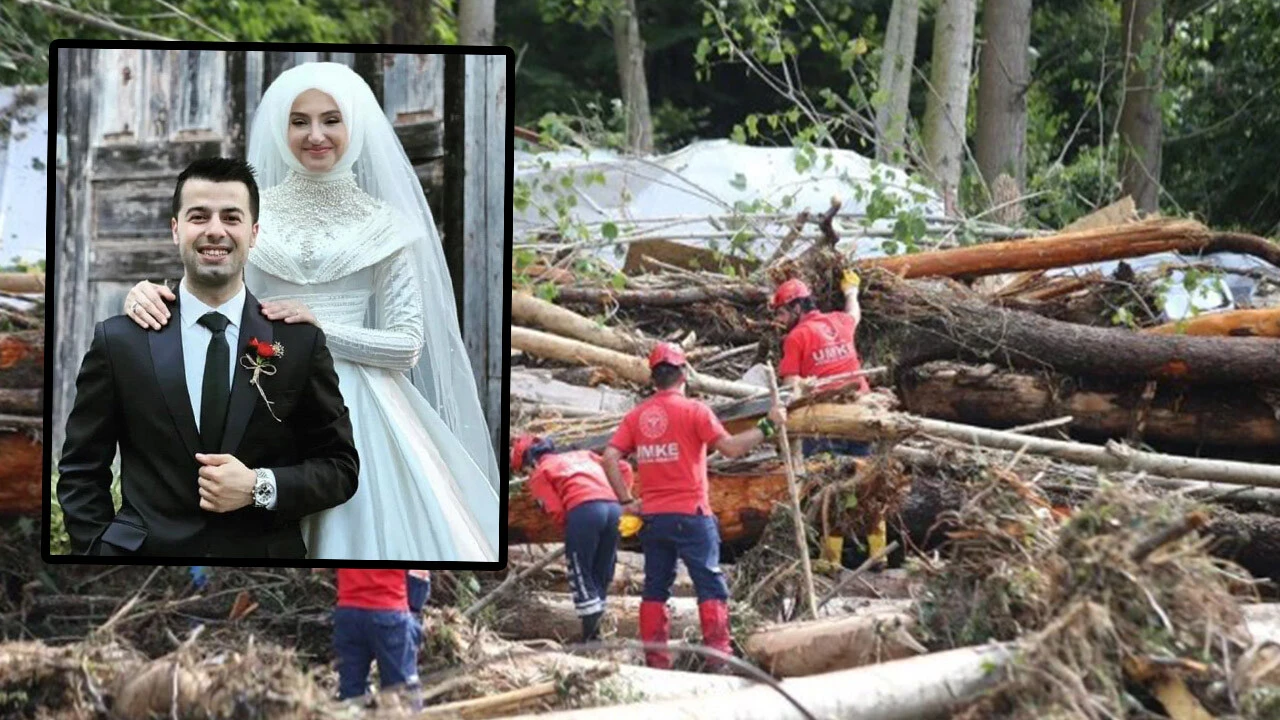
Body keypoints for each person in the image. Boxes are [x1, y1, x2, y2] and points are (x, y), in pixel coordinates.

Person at [120, 62, 499, 561]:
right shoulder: (249, 213)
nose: (315, 135)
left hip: (362, 404)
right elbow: (211, 282)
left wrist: (320, 329)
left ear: (354, 125)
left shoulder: (386, 225)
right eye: (299, 121)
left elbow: (407, 345)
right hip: (263, 387)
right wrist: (145, 294)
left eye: (331, 120)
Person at [58, 158, 359, 558]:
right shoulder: (120, 341)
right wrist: (98, 553)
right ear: (175, 229)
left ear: (253, 233)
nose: (215, 230)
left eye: (231, 217)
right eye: (199, 216)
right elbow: (81, 470)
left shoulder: (299, 342)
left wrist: (258, 486)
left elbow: (340, 468)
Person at [601, 343, 786, 671]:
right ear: (684, 374)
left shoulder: (638, 416)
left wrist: (627, 500)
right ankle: (719, 658)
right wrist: (768, 426)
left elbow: (610, 457)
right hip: (692, 514)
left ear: (653, 379)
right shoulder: (695, 411)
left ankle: (657, 663)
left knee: (655, 588)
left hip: (654, 519)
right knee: (709, 584)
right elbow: (730, 449)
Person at [512, 434, 634, 642]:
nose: (527, 474)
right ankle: (599, 630)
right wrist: (621, 498)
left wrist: (572, 527)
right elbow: (624, 468)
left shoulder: (540, 473)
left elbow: (555, 509)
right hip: (614, 510)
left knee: (580, 572)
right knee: (601, 571)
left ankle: (591, 637)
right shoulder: (584, 455)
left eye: (525, 471)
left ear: (530, 462)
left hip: (583, 510)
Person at [771, 270, 871, 457]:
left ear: (797, 308)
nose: (779, 320)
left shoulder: (795, 337)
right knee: (862, 469)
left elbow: (791, 388)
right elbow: (854, 313)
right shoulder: (839, 320)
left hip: (825, 421)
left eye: (782, 313)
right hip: (862, 412)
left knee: (820, 471)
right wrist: (851, 292)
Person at [326, 568, 423, 709]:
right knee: (402, 692)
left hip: (348, 612)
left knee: (351, 692)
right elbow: (419, 573)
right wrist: (414, 610)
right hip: (390, 610)